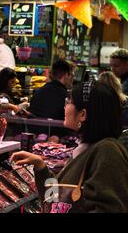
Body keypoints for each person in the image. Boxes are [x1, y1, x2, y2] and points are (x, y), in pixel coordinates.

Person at [10, 81, 128, 213]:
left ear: (83, 114)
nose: (64, 106)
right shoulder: (87, 147)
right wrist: (40, 166)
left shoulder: (108, 151)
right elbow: (57, 198)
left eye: (69, 101)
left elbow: (110, 208)